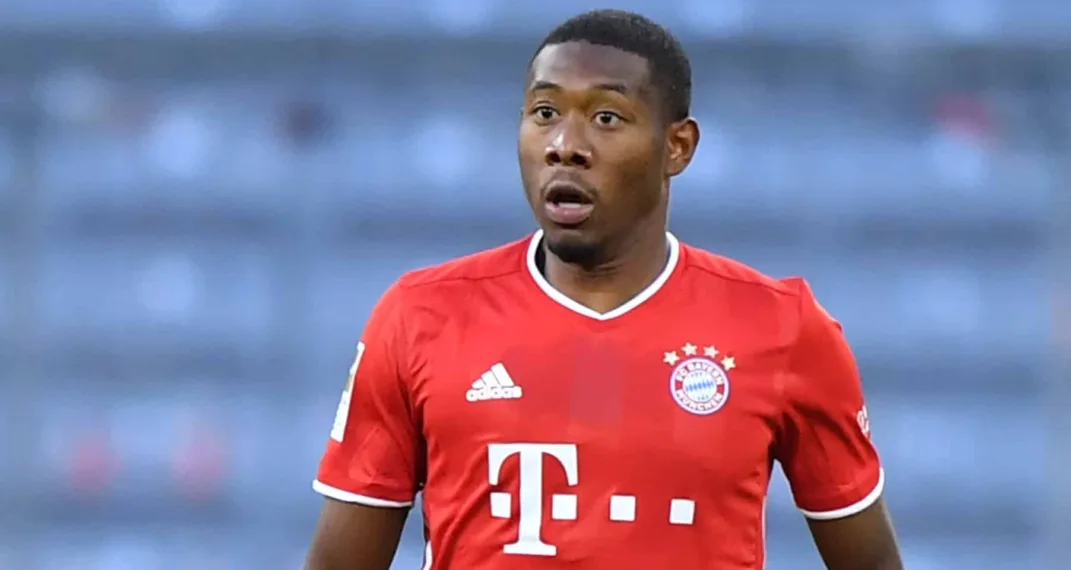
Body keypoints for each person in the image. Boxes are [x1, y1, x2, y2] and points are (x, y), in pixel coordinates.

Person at [304, 9, 903, 570]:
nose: (564, 144)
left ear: (678, 147)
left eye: (606, 117)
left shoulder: (782, 326)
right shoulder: (421, 314)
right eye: (544, 113)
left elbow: (870, 561)